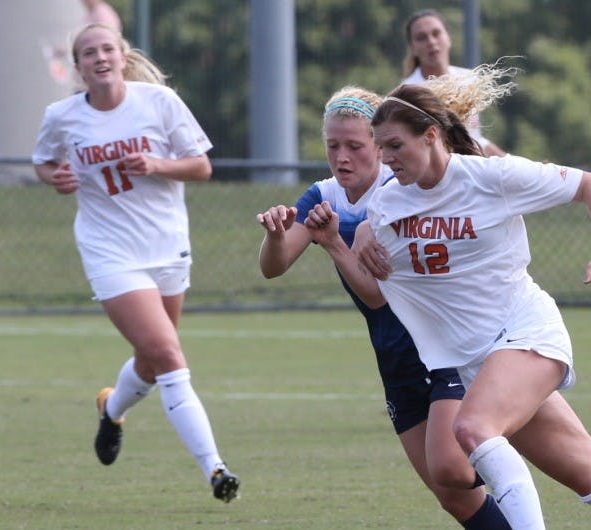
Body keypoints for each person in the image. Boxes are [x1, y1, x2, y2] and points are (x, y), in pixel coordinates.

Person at [304, 67, 591, 529]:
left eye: (394, 146)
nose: (385, 159)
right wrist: (349, 240)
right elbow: (377, 297)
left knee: (471, 430)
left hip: (525, 333)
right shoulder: (387, 207)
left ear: (430, 136)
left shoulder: (490, 177)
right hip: (475, 363)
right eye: (380, 147)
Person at [256, 87, 510, 529]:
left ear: (378, 143)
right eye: (333, 146)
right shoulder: (323, 194)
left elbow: (376, 294)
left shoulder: (400, 193)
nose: (342, 157)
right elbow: (273, 268)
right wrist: (278, 235)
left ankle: (511, 455)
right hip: (394, 359)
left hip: (441, 349)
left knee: (459, 468)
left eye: (355, 145)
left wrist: (334, 243)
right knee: (453, 497)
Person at [32, 23, 239, 503]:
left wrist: (157, 165)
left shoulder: (158, 103)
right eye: (88, 52)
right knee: (169, 356)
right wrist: (54, 178)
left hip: (166, 246)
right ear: (78, 66)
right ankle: (216, 469)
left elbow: (202, 166)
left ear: (122, 57)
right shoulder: (61, 116)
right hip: (110, 252)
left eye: (107, 49)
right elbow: (44, 162)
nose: (100, 57)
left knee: (151, 359)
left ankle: (111, 408)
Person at [402, 8, 507, 157]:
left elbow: (475, 139)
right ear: (413, 48)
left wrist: (523, 167)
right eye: (421, 37)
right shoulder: (407, 94)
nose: (431, 41)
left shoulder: (468, 79)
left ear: (448, 37)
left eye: (436, 33)